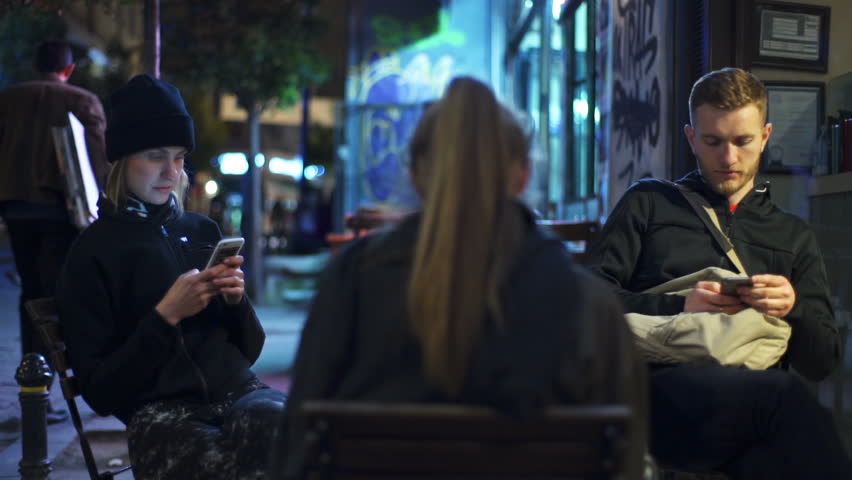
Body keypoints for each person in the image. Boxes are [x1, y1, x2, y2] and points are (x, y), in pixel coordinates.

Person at [269, 77, 647, 479]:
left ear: (415, 175)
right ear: (522, 175)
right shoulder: (589, 304)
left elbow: (297, 445)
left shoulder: (355, 279)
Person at [587, 67, 852, 479]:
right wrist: (679, 305)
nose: (728, 158)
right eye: (713, 142)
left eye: (743, 141)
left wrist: (793, 307)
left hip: (751, 407)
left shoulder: (793, 236)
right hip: (661, 392)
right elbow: (587, 301)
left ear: (765, 136)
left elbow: (821, 364)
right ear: (692, 138)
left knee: (767, 452)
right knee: (785, 400)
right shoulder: (649, 203)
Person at [56, 74, 285, 480]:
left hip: (237, 390)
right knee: (221, 463)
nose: (171, 171)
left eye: (179, 156)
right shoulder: (92, 253)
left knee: (290, 436)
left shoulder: (202, 232)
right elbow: (101, 391)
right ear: (122, 159)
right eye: (155, 155)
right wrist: (164, 318)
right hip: (160, 411)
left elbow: (248, 351)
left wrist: (236, 302)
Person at [0, 40, 108, 423]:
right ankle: (61, 387)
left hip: (16, 208)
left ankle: (35, 389)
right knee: (61, 295)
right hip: (63, 211)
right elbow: (97, 158)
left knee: (31, 293)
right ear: (70, 68)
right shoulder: (82, 101)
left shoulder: (8, 99)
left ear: (35, 64)